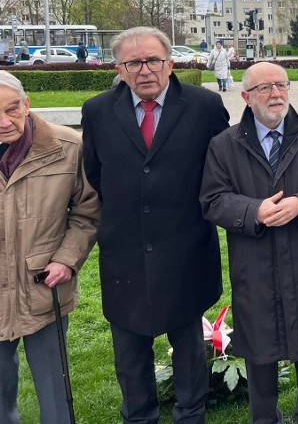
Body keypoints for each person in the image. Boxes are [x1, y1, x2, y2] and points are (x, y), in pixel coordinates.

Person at [81, 26, 230, 424]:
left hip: (186, 248)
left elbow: (224, 170)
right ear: (120, 68)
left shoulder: (205, 106)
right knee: (129, 349)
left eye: (153, 60)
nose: (145, 70)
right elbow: (95, 173)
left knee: (187, 346)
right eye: (134, 63)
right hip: (125, 251)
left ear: (170, 63)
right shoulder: (96, 111)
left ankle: (190, 413)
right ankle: (139, 415)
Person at [200, 62, 298, 424]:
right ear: (246, 97)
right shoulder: (224, 145)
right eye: (264, 88)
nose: (275, 94)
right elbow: (213, 199)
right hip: (255, 269)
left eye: (280, 85)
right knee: (260, 352)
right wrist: (254, 211)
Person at [0, 71, 100, 423]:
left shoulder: (67, 146)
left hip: (44, 285)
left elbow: (88, 211)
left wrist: (66, 259)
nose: (3, 122)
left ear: (27, 104)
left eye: (12, 109)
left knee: (55, 393)